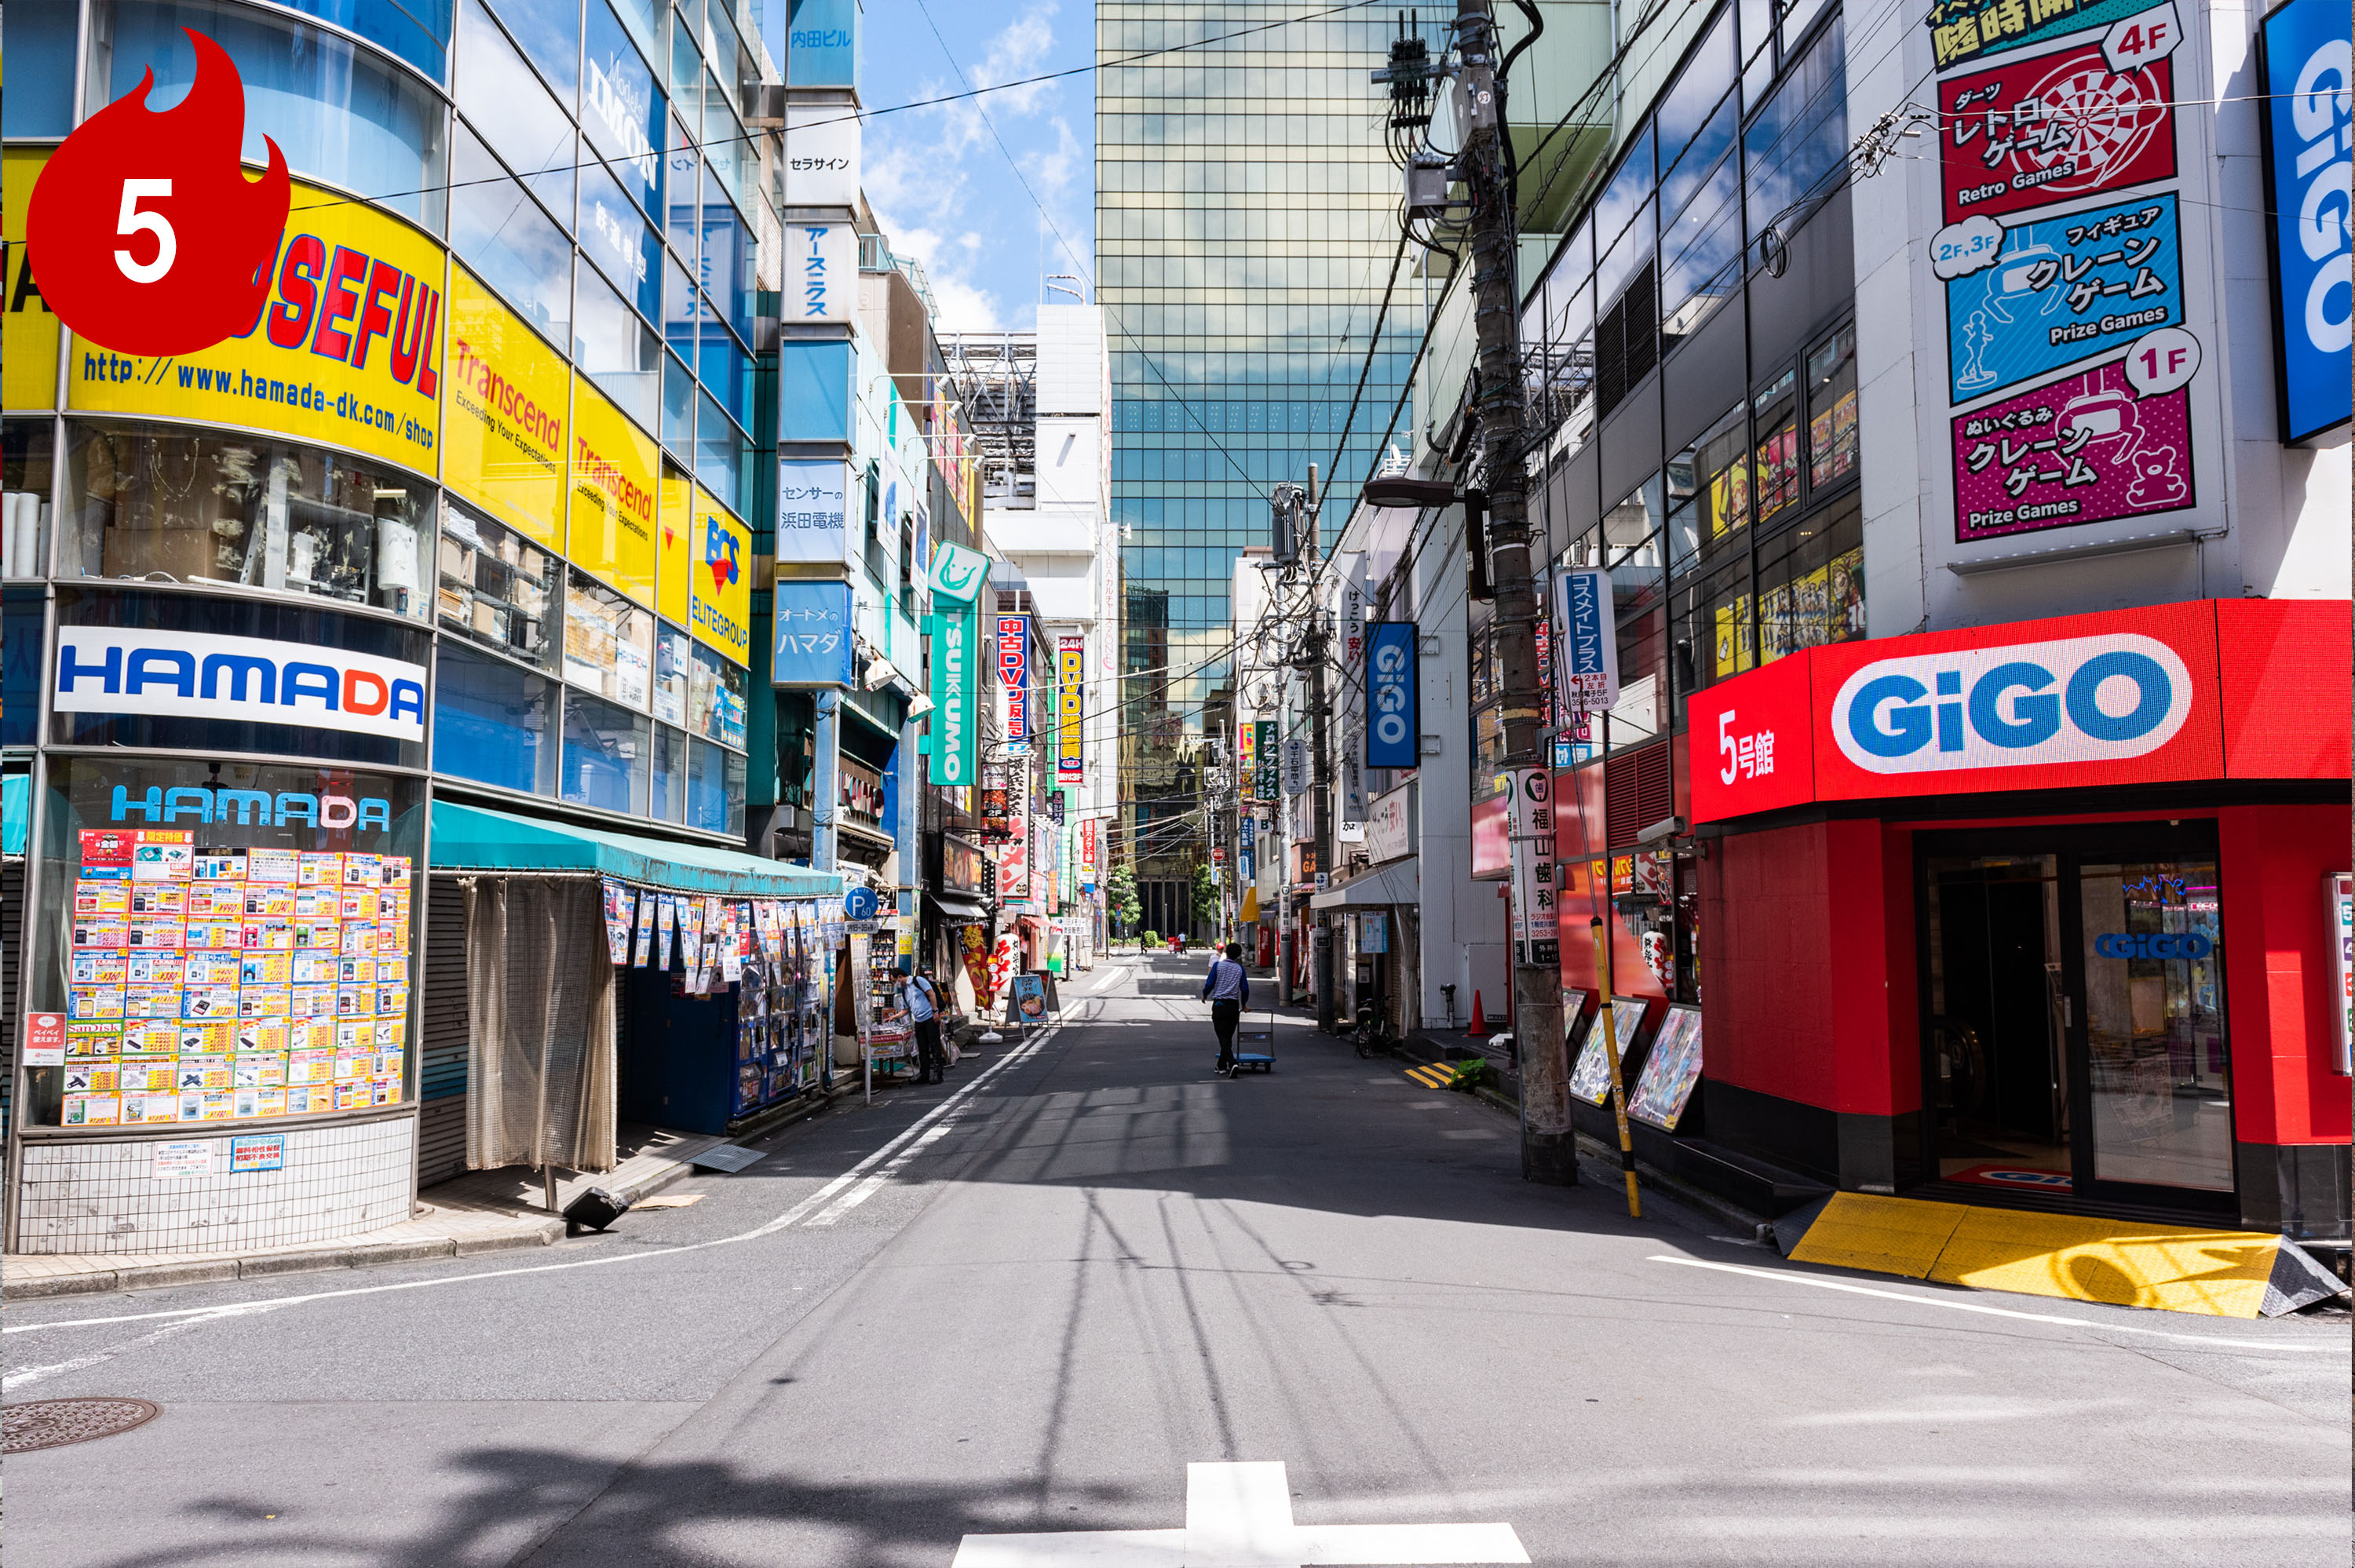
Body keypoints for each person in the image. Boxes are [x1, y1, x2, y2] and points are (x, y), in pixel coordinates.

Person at [1202, 941, 1250, 1074]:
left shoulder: (1218, 966)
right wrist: (1244, 1004)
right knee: (1227, 1037)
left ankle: (1232, 1063)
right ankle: (1221, 1066)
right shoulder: (1240, 969)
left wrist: (1204, 995)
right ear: (1239, 955)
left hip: (1219, 1004)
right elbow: (1245, 989)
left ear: (1226, 953)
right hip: (1233, 1006)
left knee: (1223, 1036)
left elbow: (1210, 983)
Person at [903, 967, 945, 1084]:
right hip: (918, 1020)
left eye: (893, 980)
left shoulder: (918, 981)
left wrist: (935, 1011)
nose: (894, 983)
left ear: (899, 977)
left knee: (934, 1045)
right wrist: (894, 1017)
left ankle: (938, 1074)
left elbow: (931, 994)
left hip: (930, 1018)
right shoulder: (904, 990)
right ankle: (924, 1074)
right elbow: (906, 1009)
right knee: (922, 1048)